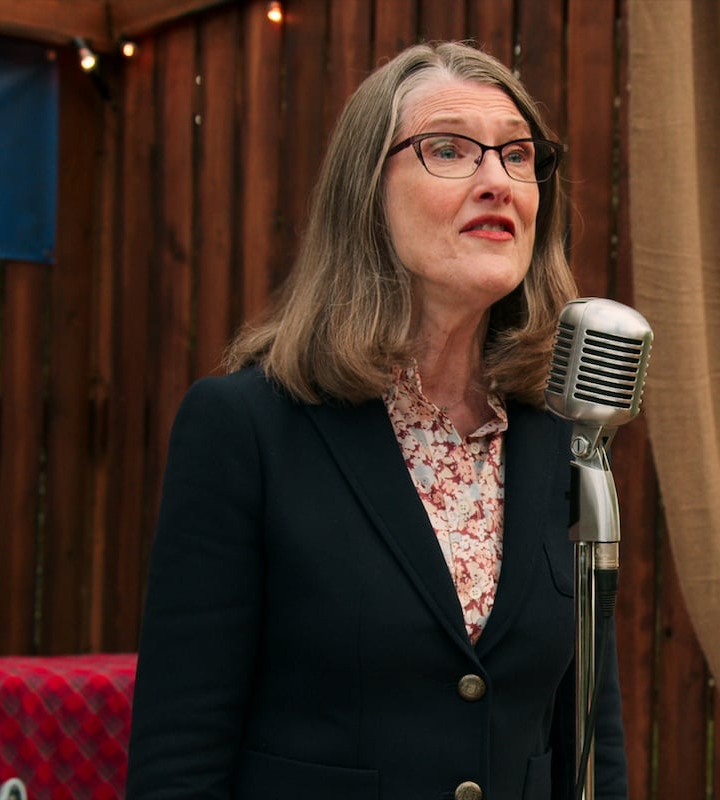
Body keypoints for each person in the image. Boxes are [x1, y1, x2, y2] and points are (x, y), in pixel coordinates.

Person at [125, 40, 628, 800]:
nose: (498, 181)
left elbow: (591, 738)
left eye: (519, 155)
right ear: (365, 192)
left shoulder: (562, 436)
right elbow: (179, 763)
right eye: (449, 149)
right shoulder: (246, 428)